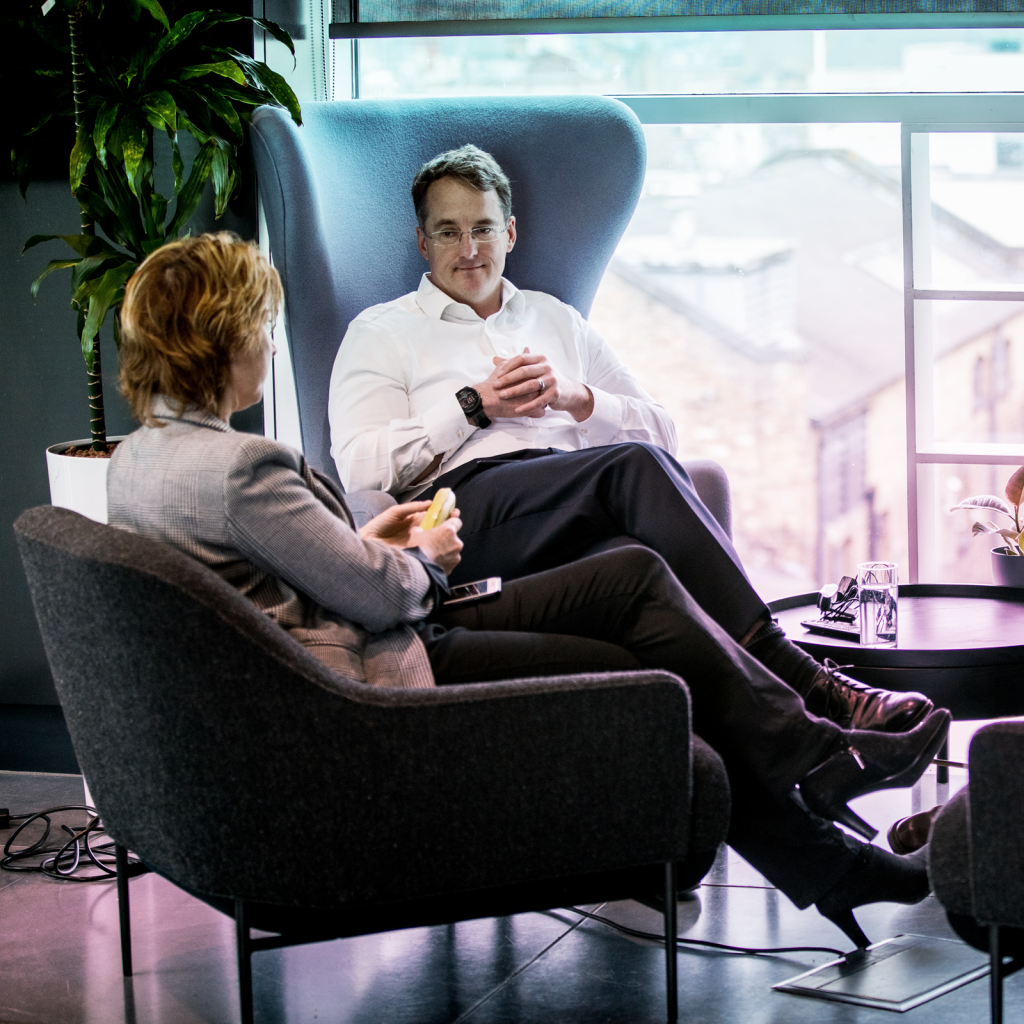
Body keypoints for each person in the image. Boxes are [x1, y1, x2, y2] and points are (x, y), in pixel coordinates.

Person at [108, 232, 949, 951]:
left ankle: (819, 786)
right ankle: (826, 807)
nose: (270, 341)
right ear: (221, 338)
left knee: (636, 578)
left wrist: (366, 538)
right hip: (383, 676)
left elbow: (274, 580)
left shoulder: (140, 461)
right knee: (647, 657)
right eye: (261, 325)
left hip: (352, 649)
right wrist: (427, 552)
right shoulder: (242, 468)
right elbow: (377, 601)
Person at [328, 144, 933, 738]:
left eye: (483, 229)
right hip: (468, 515)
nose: (469, 250)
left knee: (647, 571)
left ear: (509, 233)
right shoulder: (383, 332)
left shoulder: (555, 318)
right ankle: (811, 680)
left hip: (577, 503)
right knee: (631, 468)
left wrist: (578, 398)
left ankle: (818, 753)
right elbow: (360, 469)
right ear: (422, 242)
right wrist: (472, 405)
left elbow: (664, 432)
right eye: (449, 231)